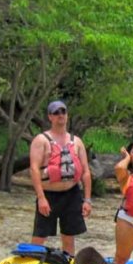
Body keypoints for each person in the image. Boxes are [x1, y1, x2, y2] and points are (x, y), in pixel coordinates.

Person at [29, 100, 92, 255]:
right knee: (40, 235)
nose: (60, 116)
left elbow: (85, 171)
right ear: (50, 117)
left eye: (63, 112)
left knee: (69, 237)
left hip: (71, 193)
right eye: (56, 113)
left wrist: (87, 200)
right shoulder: (41, 140)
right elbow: (34, 169)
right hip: (49, 194)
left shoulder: (76, 142)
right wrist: (41, 197)